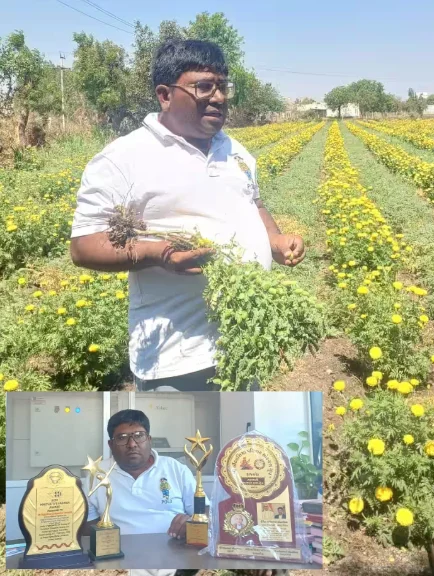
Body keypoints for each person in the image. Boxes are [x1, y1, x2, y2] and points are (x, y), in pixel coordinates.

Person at [69, 39, 305, 392]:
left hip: (242, 342)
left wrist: (274, 239)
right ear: (165, 95)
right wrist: (158, 254)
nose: (220, 97)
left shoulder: (235, 151)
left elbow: (253, 203)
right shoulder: (123, 158)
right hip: (177, 357)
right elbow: (84, 245)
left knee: (239, 445)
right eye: (204, 86)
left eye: (224, 86)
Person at [86, 409, 208, 538]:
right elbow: (87, 524)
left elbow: (205, 512)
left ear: (149, 440)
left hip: (174, 549)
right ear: (111, 444)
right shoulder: (98, 474)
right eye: (122, 438)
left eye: (139, 436)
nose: (132, 444)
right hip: (117, 552)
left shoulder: (175, 469)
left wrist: (191, 524)